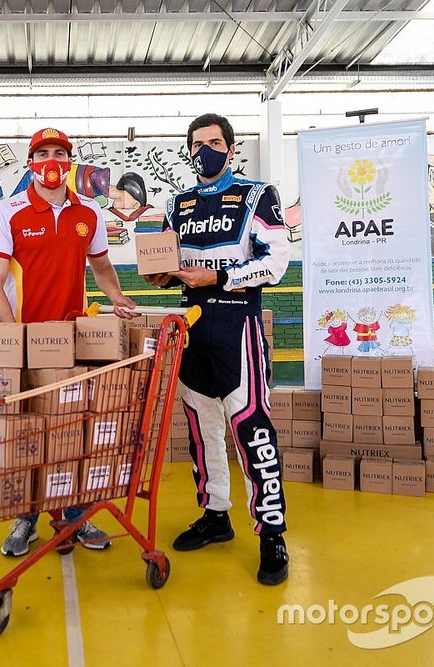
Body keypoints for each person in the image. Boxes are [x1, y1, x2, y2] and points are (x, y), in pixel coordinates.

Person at [145, 113, 291, 585]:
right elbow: (165, 263)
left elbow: (277, 262)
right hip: (191, 326)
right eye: (196, 143)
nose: (204, 150)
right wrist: (160, 274)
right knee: (202, 430)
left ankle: (272, 532)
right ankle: (216, 514)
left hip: (238, 322)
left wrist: (224, 277)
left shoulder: (258, 194)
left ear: (230, 149)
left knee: (252, 429)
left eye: (213, 142)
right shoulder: (177, 203)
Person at [0, 127, 138, 557]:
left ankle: (76, 518)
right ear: (31, 162)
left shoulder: (89, 212)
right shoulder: (7, 211)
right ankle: (26, 519)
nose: (52, 161)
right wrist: (14, 337)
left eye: (60, 153)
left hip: (72, 340)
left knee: (72, 431)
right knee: (27, 433)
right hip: (26, 340)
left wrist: (118, 298)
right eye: (43, 153)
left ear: (69, 163)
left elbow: (102, 268)